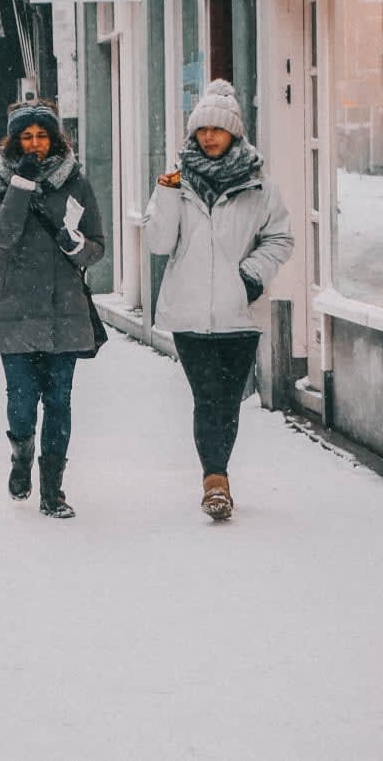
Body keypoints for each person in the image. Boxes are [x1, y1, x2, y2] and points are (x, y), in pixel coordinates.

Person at [143, 80, 293, 522]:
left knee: (226, 400)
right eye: (201, 129)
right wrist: (167, 194)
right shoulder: (176, 182)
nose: (208, 136)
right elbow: (157, 242)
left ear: (234, 134)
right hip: (190, 313)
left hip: (240, 314)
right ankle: (216, 481)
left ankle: (216, 475)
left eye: (217, 129)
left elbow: (279, 238)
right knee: (207, 398)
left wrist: (251, 276)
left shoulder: (259, 186)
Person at [0, 99, 105, 519]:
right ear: (14, 142)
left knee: (59, 402)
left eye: (42, 136)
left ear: (55, 138)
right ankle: (21, 453)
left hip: (63, 310)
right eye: (27, 137)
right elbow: (2, 234)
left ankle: (53, 489)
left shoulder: (77, 182)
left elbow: (96, 246)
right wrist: (21, 185)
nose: (35, 144)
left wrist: (78, 247)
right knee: (21, 402)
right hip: (16, 310)